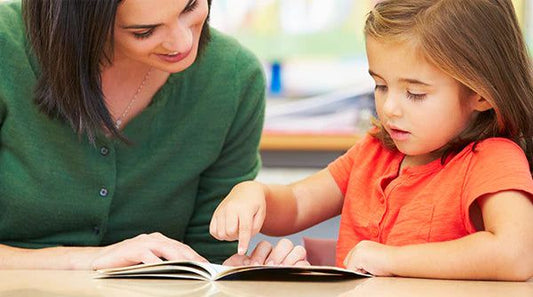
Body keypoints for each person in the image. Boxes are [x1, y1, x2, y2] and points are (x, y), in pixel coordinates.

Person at [210, 0, 533, 281]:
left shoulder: (493, 159)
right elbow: (297, 204)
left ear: (480, 94)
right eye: (380, 86)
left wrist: (390, 258)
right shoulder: (374, 151)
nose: (390, 108)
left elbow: (516, 253)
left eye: (415, 93)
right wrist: (254, 195)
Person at [0, 0, 307, 270]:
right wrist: (88, 260)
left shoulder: (233, 77)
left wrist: (240, 270)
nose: (183, 41)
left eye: (190, 7)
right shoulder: (6, 45)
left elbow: (209, 255)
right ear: (81, 23)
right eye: (144, 31)